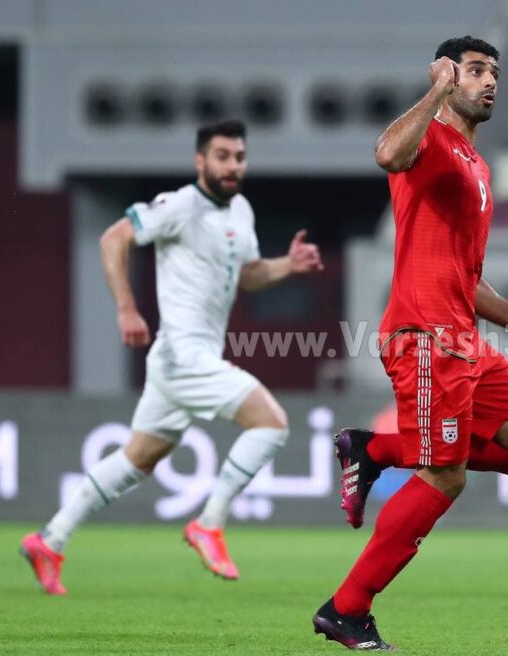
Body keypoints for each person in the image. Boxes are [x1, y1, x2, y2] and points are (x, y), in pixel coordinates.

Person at [311, 36, 508, 651]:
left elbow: (467, 279)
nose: (488, 82)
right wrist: (433, 89)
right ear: (450, 77)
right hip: (424, 336)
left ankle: (374, 450)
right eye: (475, 71)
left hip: (464, 339)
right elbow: (384, 153)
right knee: (444, 476)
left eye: (493, 74)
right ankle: (346, 610)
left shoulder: (478, 166)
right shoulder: (427, 142)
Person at [19, 120, 324, 595]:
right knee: (272, 424)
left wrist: (289, 265)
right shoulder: (179, 205)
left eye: (239, 157)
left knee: (139, 458)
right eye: (222, 156)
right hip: (184, 353)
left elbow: (249, 274)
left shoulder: (240, 209)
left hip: (179, 360)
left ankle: (49, 539)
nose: (232, 165)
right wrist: (126, 308)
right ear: (200, 161)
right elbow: (113, 238)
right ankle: (209, 523)